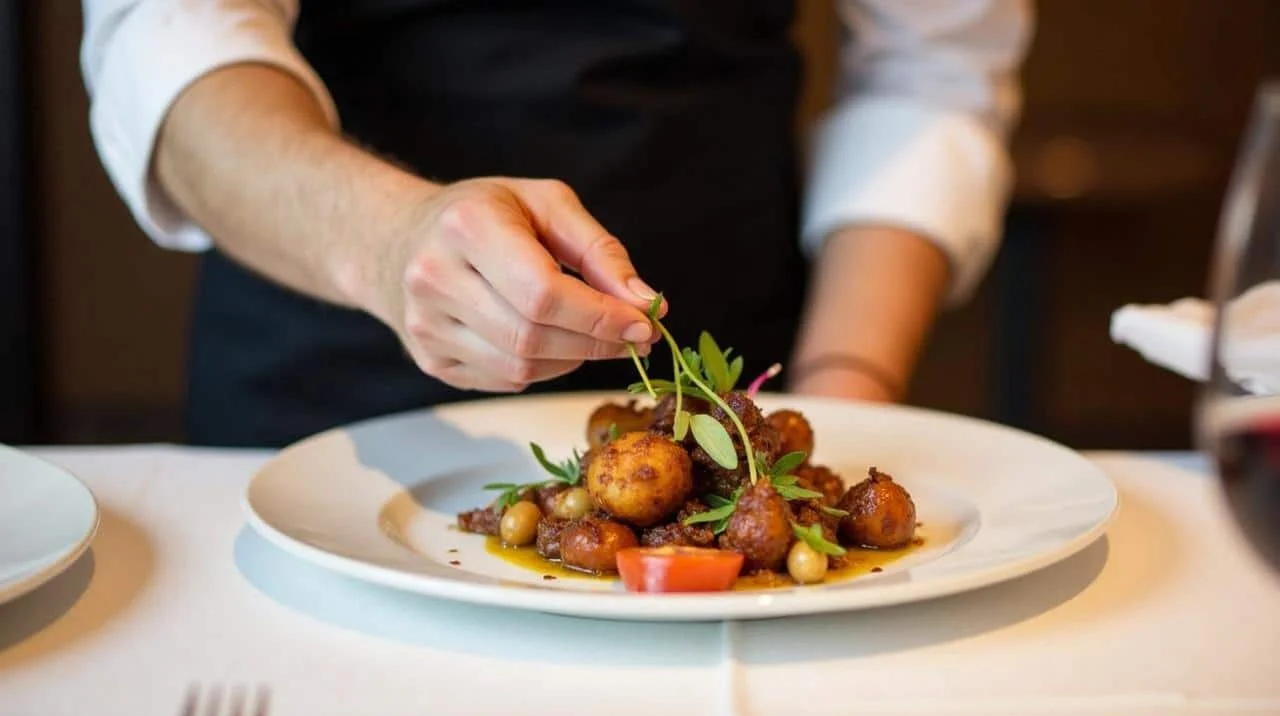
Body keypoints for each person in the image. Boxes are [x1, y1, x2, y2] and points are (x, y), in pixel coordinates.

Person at [79, 0, 1031, 448]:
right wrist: (387, 239)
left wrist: (840, 392)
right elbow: (169, 41)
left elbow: (930, 76)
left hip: (734, 372)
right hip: (317, 383)